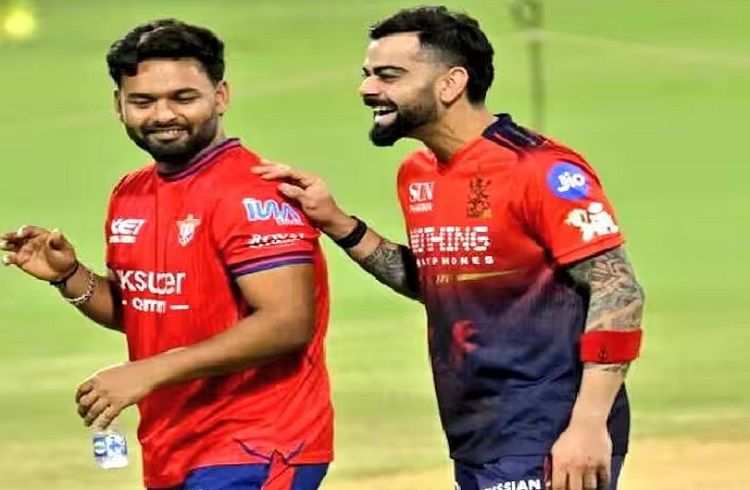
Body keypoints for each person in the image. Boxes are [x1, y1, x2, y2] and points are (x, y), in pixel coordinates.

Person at [253, 6, 645, 490]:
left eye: (388, 75)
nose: (367, 88)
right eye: (367, 74)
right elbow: (444, 282)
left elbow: (619, 291)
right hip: (476, 433)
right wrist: (338, 223)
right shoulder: (417, 174)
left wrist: (587, 425)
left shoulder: (539, 169)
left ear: (450, 83)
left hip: (549, 428)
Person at [1, 19, 332, 490]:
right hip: (176, 445)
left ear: (220, 96)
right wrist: (69, 275)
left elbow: (287, 323)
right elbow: (149, 313)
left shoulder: (250, 192)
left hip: (257, 445)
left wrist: (147, 372)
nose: (163, 115)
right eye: (143, 101)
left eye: (183, 97)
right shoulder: (131, 193)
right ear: (118, 105)